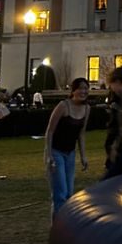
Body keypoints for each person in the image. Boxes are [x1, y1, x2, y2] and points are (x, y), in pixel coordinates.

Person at [44, 77, 90, 217]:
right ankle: (58, 228)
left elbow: (81, 134)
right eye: (80, 88)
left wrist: (83, 156)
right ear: (73, 91)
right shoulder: (63, 106)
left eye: (85, 88)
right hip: (56, 152)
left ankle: (63, 226)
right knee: (60, 193)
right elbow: (50, 131)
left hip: (70, 153)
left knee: (69, 192)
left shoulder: (87, 108)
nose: (83, 91)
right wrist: (49, 155)